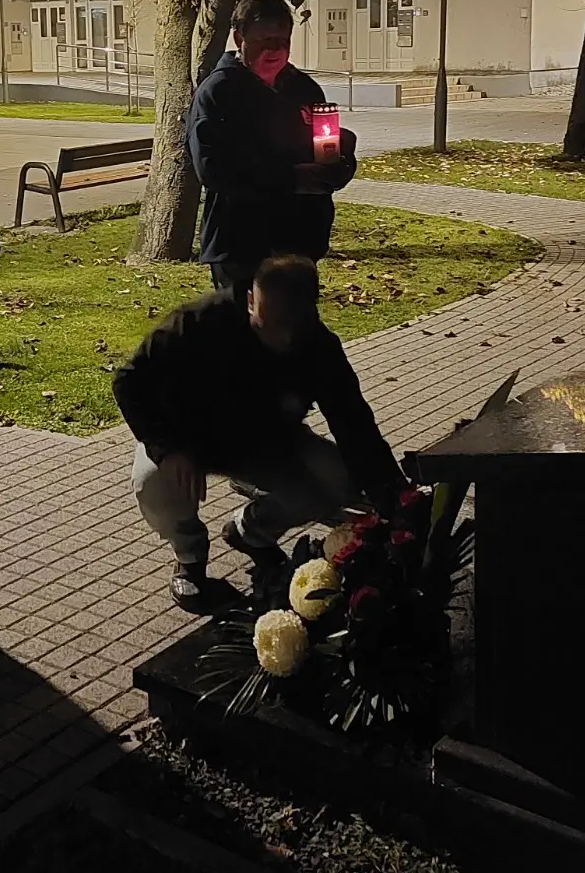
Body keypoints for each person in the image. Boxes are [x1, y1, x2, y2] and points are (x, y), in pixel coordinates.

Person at [113, 254, 405, 610]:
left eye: (295, 326)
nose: (285, 338)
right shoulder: (198, 323)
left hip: (267, 443)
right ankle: (190, 557)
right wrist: (168, 448)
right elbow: (129, 381)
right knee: (153, 481)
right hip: (188, 441)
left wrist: (395, 496)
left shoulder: (319, 347)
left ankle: (251, 531)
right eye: (272, 324)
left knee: (338, 478)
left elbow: (354, 424)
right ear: (250, 299)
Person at [187, 0, 358, 298]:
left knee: (296, 324)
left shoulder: (303, 88)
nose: (276, 50)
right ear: (240, 39)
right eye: (266, 40)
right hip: (242, 243)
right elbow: (212, 169)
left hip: (299, 240)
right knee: (246, 325)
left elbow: (323, 147)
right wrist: (292, 178)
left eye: (283, 41)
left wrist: (338, 166)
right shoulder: (219, 92)